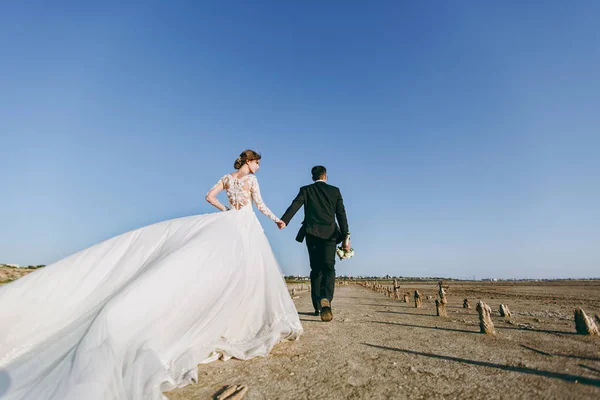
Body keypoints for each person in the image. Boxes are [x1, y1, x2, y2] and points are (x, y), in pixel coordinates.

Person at [0, 150, 303, 400]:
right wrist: (277, 220)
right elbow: (260, 205)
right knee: (247, 272)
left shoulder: (227, 179)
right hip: (246, 225)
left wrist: (225, 210)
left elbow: (208, 196)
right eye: (257, 162)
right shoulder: (249, 181)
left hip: (229, 220)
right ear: (249, 162)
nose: (259, 166)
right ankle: (244, 317)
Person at [279, 166, 349, 322]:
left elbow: (295, 205)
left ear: (313, 177)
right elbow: (341, 214)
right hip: (330, 235)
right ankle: (326, 300)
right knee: (329, 268)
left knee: (316, 269)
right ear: (325, 176)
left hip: (312, 233)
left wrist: (284, 220)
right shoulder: (335, 191)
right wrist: (346, 236)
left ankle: (317, 306)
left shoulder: (306, 190)